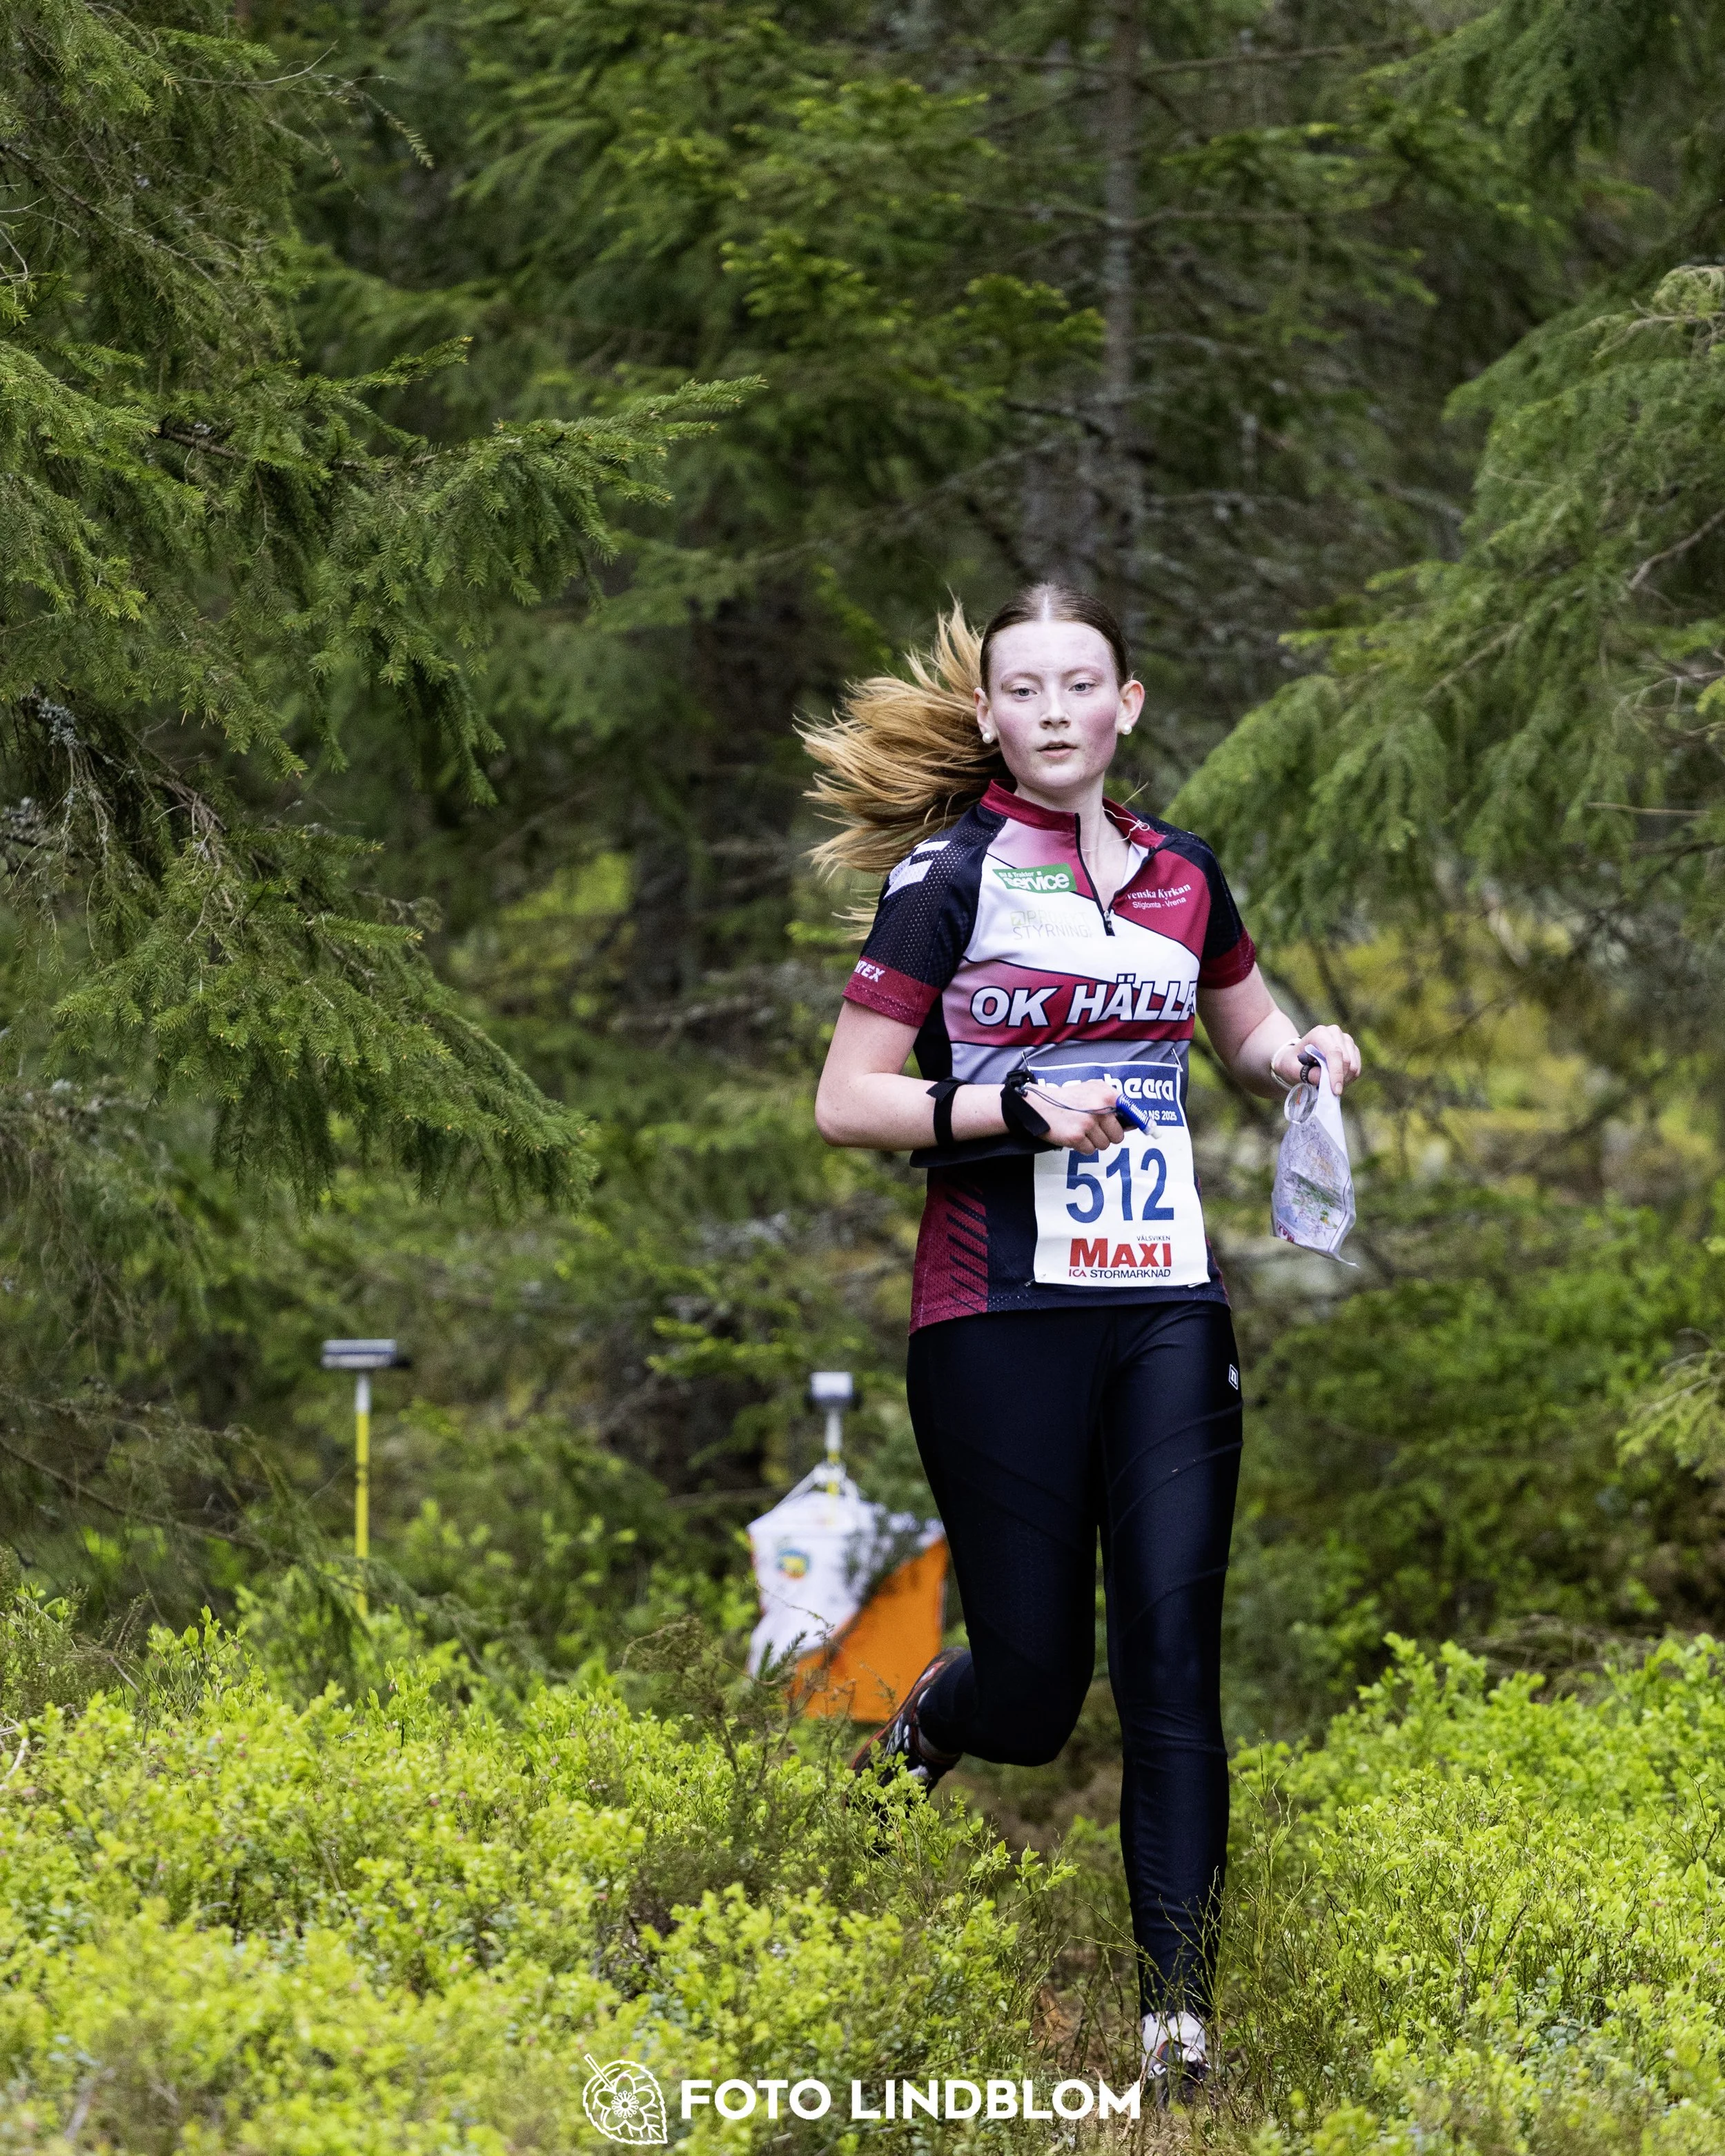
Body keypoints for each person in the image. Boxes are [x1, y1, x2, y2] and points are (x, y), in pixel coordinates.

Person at [807, 584, 1361, 2100]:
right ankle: (933, 1709)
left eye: (1081, 685)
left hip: (1164, 1305)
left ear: (1128, 705)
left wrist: (1297, 1056)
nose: (1054, 711)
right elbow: (846, 1098)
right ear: (988, 718)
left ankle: (1174, 2018)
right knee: (1039, 1691)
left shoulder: (1186, 874)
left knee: (1174, 1650)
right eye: (1024, 690)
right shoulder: (946, 876)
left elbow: (1239, 1042)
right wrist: (1012, 1104)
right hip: (995, 1314)